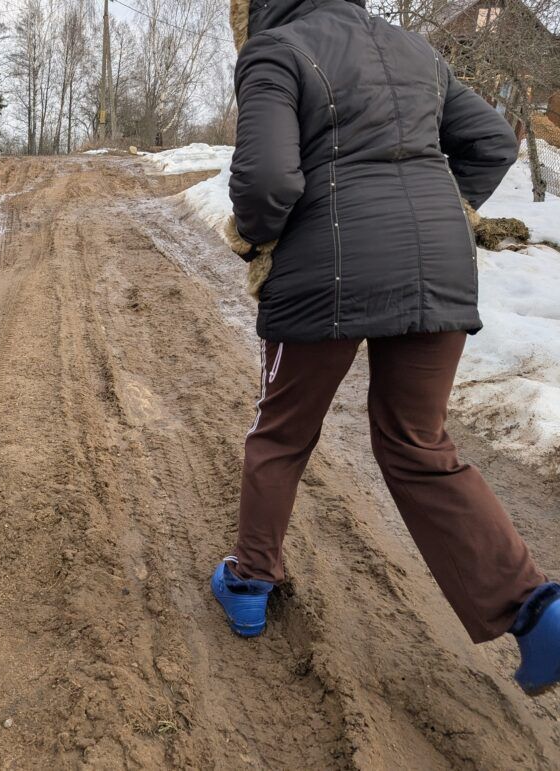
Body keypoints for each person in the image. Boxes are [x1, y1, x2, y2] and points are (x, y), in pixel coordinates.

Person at [213, 0, 560, 695]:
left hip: (323, 271)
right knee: (417, 441)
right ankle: (539, 613)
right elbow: (493, 140)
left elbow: (268, 181)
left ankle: (250, 582)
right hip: (440, 263)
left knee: (281, 429)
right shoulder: (415, 50)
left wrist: (257, 237)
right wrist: (440, 205)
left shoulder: (276, 51)